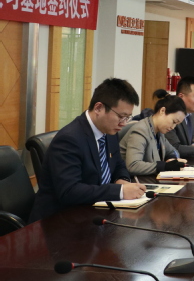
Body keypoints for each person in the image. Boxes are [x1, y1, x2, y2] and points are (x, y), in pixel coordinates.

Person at [29, 78, 146, 222]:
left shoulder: (110, 132)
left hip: (93, 212)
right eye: (121, 116)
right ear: (98, 108)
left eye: (128, 117)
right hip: (58, 220)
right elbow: (69, 191)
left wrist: (122, 181)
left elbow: (118, 164)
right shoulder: (69, 139)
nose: (123, 123)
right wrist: (120, 191)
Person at [120, 95, 188, 175]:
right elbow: (133, 166)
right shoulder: (140, 131)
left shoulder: (159, 131)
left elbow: (174, 151)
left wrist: (172, 159)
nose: (173, 127)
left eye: (176, 124)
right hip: (132, 180)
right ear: (162, 111)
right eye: (174, 121)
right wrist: (165, 166)